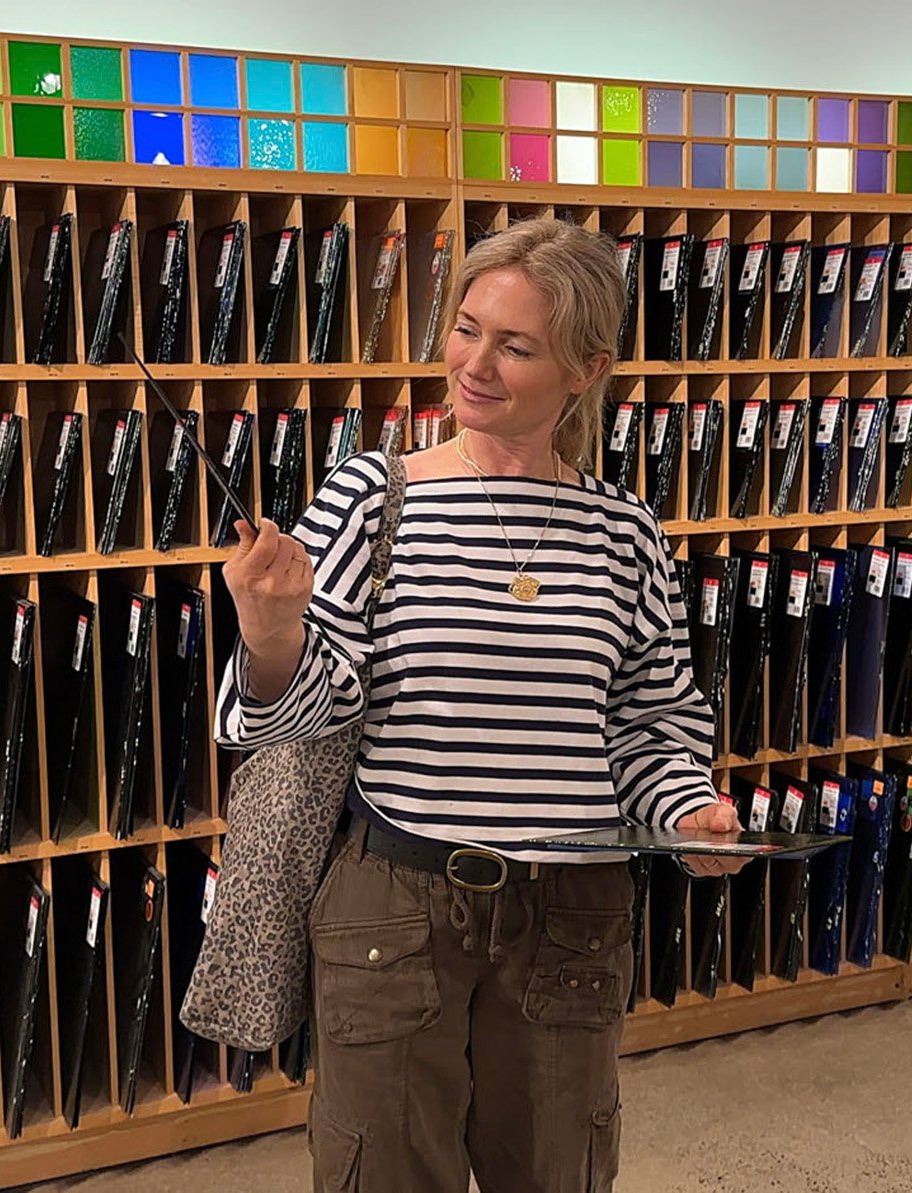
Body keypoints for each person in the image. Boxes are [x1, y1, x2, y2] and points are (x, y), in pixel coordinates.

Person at [214, 217, 739, 1193]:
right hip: (395, 901)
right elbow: (294, 715)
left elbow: (649, 718)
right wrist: (272, 634)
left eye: (515, 345)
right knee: (381, 1171)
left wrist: (686, 810)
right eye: (465, 329)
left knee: (556, 1170)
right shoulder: (373, 498)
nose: (474, 364)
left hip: (572, 910)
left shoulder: (623, 530)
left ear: (585, 369)